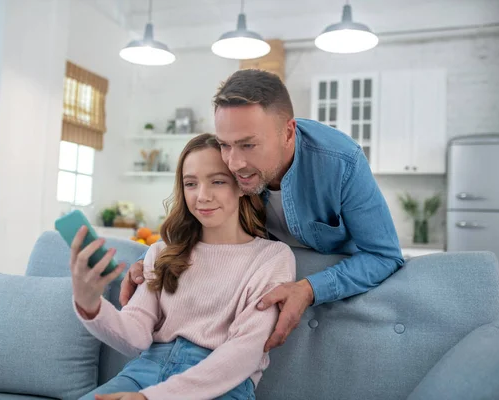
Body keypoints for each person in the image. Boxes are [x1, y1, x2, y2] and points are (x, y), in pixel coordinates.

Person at [120, 69, 405, 353]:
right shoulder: (234, 164)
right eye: (225, 145)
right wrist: (151, 260)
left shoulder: (342, 161)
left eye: (248, 145)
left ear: (288, 132)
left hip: (333, 283)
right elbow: (207, 219)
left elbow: (384, 255)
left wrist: (309, 289)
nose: (233, 163)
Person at [71, 133, 296, 400]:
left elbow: (245, 351)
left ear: (241, 185)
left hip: (221, 386)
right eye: (191, 183)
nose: (202, 196)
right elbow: (136, 335)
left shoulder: (272, 257)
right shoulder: (162, 252)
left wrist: (152, 397)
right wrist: (90, 305)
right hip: (144, 372)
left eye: (218, 181)